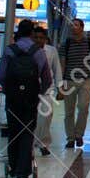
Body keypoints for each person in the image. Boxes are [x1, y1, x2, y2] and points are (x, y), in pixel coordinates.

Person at [0, 20, 51, 178]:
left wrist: (9, 90)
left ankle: (13, 172)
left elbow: (1, 75)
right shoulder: (39, 52)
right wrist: (38, 92)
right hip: (30, 98)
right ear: (32, 33)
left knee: (13, 132)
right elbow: (47, 78)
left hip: (13, 98)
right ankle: (22, 175)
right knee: (27, 133)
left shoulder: (9, 50)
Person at [58, 18, 90, 150]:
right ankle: (70, 138)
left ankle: (79, 134)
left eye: (76, 25)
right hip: (69, 80)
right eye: (71, 25)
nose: (73, 27)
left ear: (82, 28)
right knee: (69, 111)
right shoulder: (66, 44)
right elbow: (62, 63)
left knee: (83, 107)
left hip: (86, 80)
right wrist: (61, 81)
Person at [32, 25, 62, 158]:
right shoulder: (29, 51)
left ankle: (44, 143)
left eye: (41, 38)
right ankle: (32, 142)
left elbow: (57, 69)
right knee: (33, 117)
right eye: (36, 37)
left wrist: (60, 87)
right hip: (32, 89)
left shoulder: (51, 51)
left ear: (45, 39)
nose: (38, 40)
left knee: (46, 116)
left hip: (48, 89)